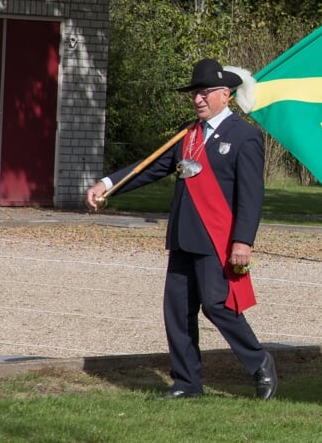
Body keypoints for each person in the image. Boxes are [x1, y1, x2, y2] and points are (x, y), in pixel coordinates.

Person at [86, 58, 278, 400]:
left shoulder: (244, 136)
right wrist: (108, 183)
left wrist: (243, 241)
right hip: (184, 234)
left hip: (217, 237)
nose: (198, 99)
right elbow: (152, 167)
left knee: (217, 306)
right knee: (177, 311)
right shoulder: (187, 135)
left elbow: (251, 196)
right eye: (194, 93)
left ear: (225, 95)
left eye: (204, 93)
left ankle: (260, 362)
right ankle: (187, 383)